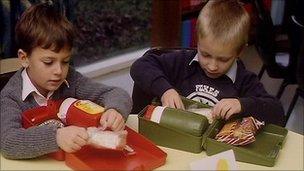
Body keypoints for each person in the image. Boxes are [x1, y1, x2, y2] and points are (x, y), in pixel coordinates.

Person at [0, 2, 132, 159]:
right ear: (24, 58)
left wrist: (115, 110)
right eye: (48, 62)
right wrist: (56, 137)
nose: (58, 71)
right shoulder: (10, 96)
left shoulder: (72, 79)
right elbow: (8, 142)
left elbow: (117, 93)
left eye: (65, 61)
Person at [130, 0, 284, 126]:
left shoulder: (244, 80)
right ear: (197, 41)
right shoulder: (182, 62)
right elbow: (140, 66)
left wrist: (243, 105)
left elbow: (277, 113)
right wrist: (165, 90)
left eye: (223, 59)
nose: (212, 66)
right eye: (205, 54)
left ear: (239, 52)